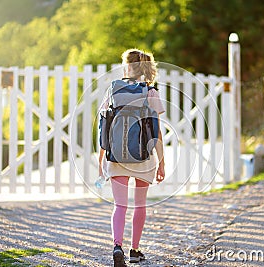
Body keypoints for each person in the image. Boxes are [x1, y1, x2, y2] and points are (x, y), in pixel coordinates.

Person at [98, 49, 165, 267]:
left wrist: (102, 159)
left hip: (116, 156)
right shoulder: (150, 92)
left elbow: (104, 127)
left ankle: (117, 246)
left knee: (120, 205)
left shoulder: (113, 90)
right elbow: (156, 132)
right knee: (140, 205)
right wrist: (161, 162)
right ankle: (135, 250)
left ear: (127, 67)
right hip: (143, 157)